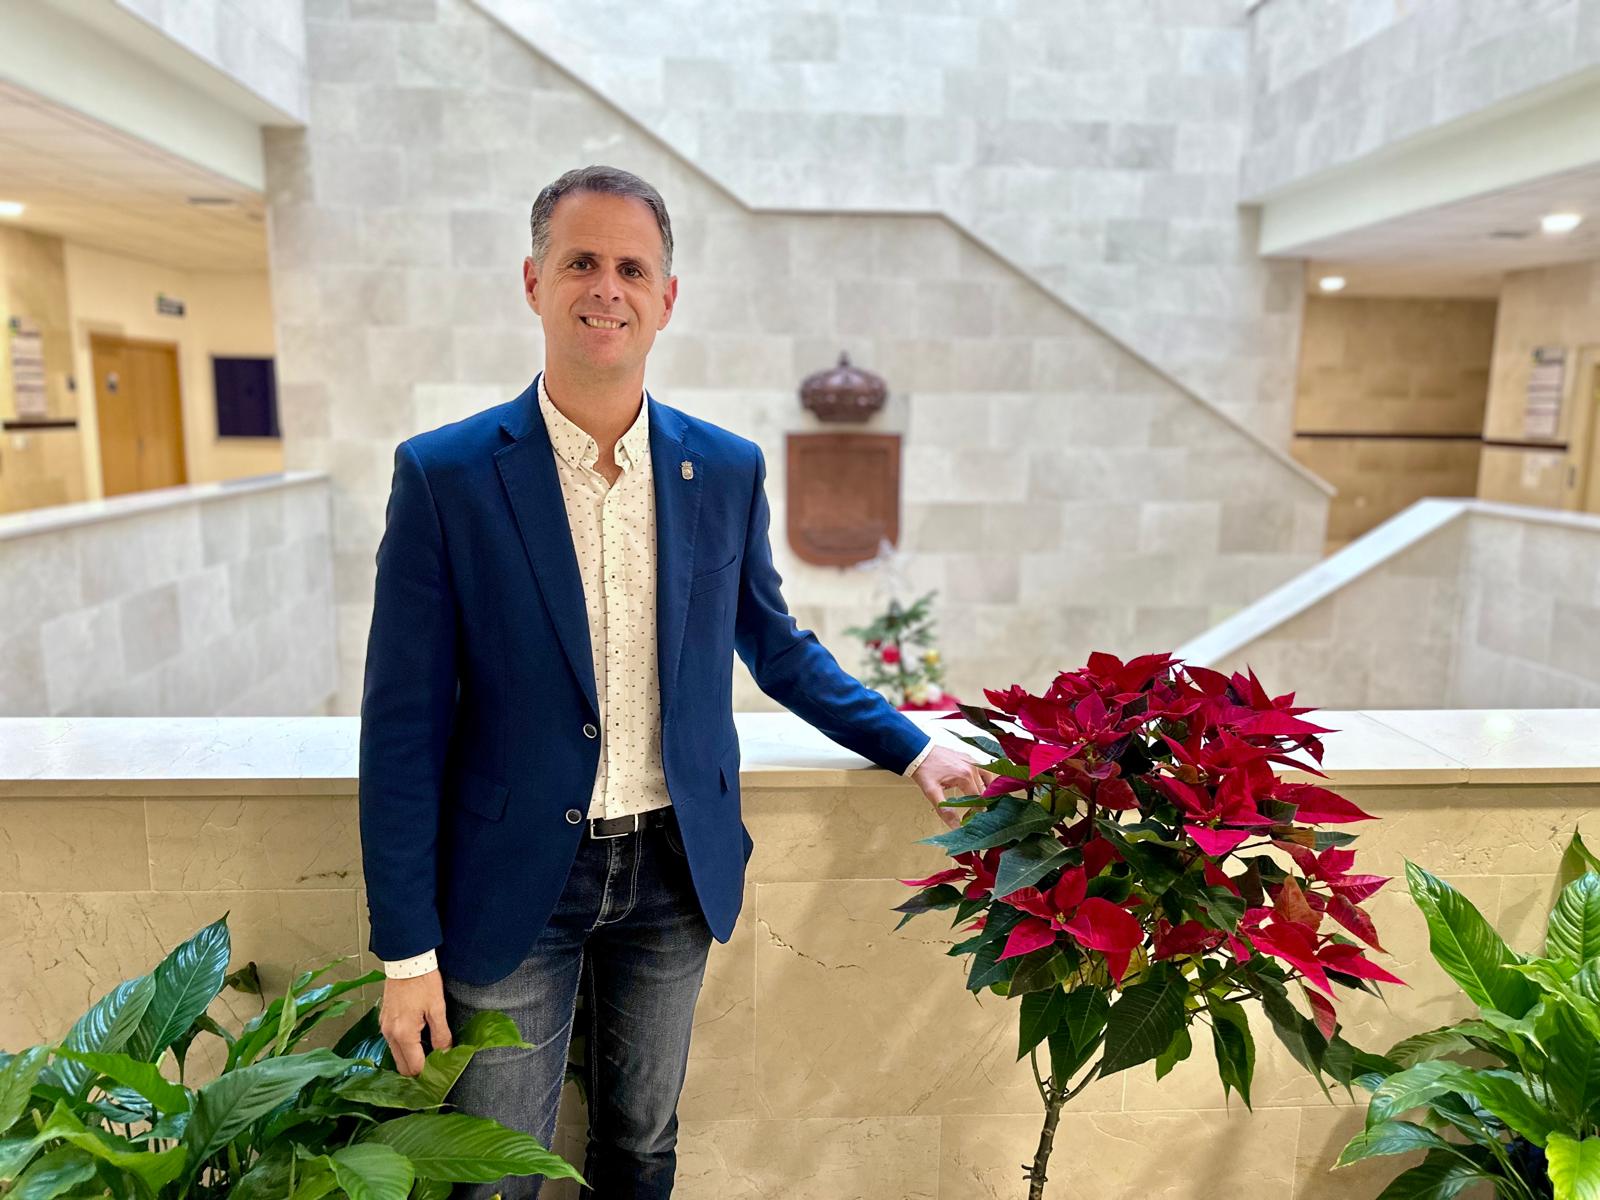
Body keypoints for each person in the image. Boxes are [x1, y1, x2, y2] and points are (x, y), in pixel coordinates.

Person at [357, 164, 990, 1199]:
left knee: (643, 1148)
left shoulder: (724, 469)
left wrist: (911, 744)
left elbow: (776, 646)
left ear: (666, 297)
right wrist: (404, 952)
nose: (606, 287)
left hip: (671, 872)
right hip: (511, 882)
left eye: (631, 268)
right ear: (533, 281)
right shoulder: (446, 476)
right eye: (581, 262)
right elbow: (400, 730)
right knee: (494, 1176)